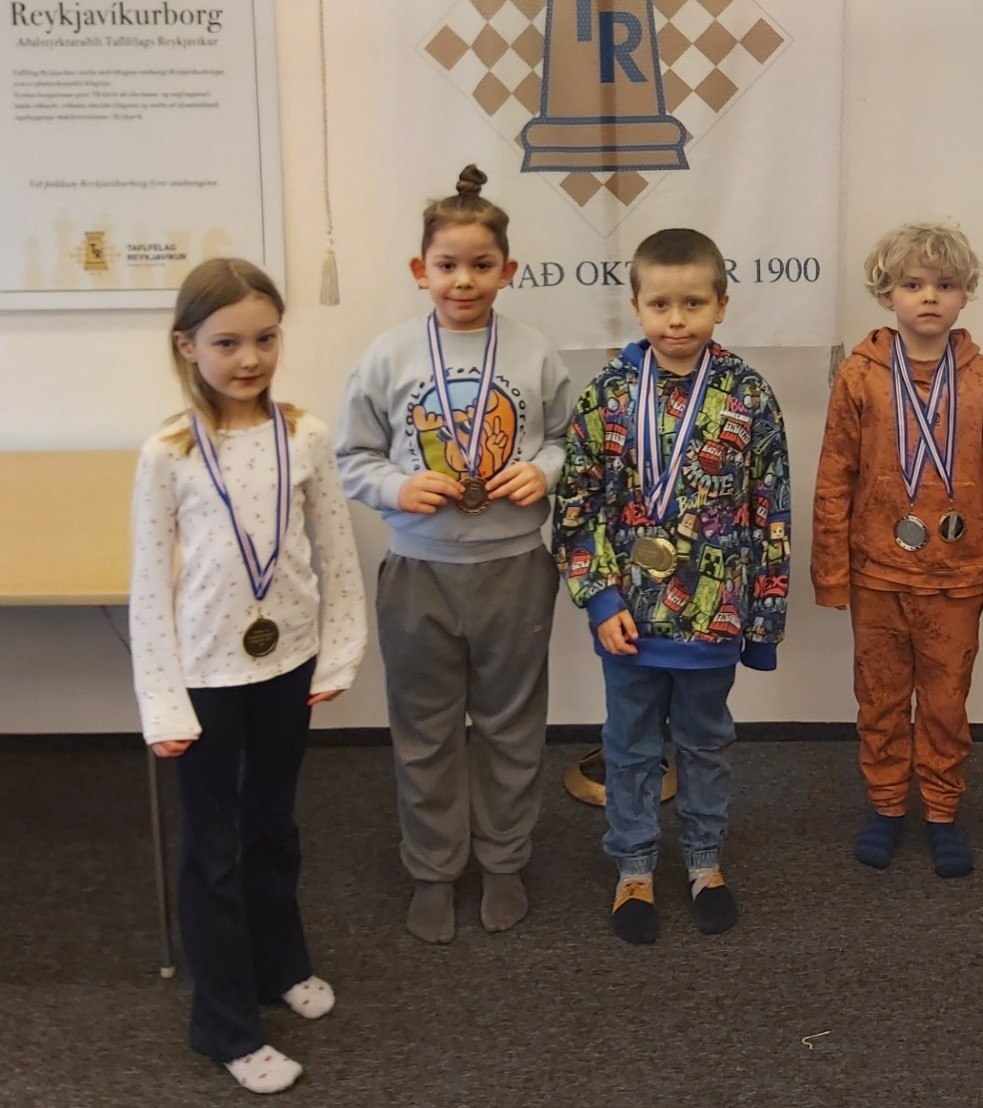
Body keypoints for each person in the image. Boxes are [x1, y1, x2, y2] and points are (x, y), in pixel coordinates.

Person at [130, 257, 367, 1095]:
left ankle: (279, 964)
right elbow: (147, 583)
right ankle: (224, 1024)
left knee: (273, 824)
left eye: (265, 338)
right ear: (187, 346)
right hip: (203, 677)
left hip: (287, 663)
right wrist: (163, 701)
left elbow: (336, 550)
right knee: (214, 851)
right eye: (227, 342)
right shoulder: (167, 452)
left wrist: (339, 650)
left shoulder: (304, 436)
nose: (250, 358)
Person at [335, 164, 571, 945]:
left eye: (480, 264)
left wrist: (544, 471)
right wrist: (397, 488)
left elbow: (570, 441)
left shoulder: (536, 353)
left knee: (511, 725)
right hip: (419, 571)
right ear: (420, 270)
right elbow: (353, 457)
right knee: (425, 728)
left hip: (514, 569)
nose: (462, 280)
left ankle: (504, 858)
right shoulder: (388, 356)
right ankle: (434, 866)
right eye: (447, 264)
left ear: (508, 269)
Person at [552, 227, 790, 945]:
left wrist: (762, 623)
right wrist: (600, 597)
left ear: (722, 304)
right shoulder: (607, 395)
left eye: (693, 303)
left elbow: (771, 509)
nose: (677, 320)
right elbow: (578, 506)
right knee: (629, 747)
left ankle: (705, 859)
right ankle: (633, 867)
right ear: (636, 306)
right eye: (660, 304)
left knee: (705, 744)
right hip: (628, 619)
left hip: (714, 619)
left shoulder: (749, 395)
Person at [811, 223, 983, 878]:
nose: (929, 296)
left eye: (945, 284)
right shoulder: (859, 378)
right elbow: (835, 476)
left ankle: (941, 809)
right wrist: (831, 572)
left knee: (944, 702)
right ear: (887, 294)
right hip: (877, 575)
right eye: (912, 284)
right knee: (879, 697)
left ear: (965, 294)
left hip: (954, 579)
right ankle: (886, 804)